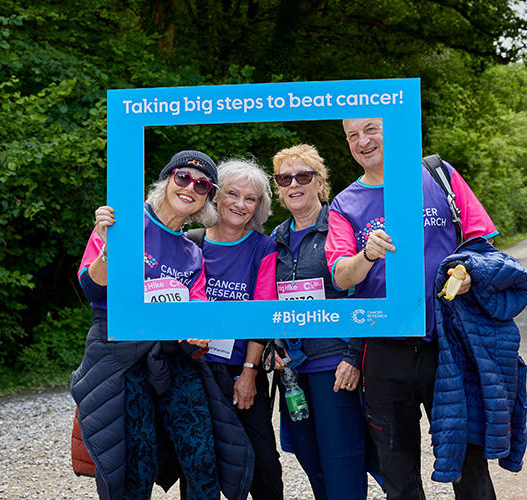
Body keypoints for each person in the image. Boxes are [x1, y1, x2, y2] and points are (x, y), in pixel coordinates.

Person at [325, 118, 499, 499]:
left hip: (448, 345)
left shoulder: (438, 175)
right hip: (385, 352)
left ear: (394, 128)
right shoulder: (345, 203)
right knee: (398, 474)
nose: (362, 141)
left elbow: (481, 243)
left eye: (371, 129)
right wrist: (367, 253)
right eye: (352, 135)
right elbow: (340, 276)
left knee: (468, 466)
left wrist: (469, 273)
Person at [70, 150, 254, 500]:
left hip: (172, 354)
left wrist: (198, 335)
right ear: (167, 179)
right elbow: (91, 287)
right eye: (183, 177)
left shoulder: (192, 252)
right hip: (121, 352)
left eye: (202, 185)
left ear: (207, 197)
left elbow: (196, 313)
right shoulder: (122, 223)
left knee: (202, 451)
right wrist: (110, 253)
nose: (190, 188)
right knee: (134, 459)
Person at [269, 144, 370, 500]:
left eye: (303, 175)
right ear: (278, 188)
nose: (294, 183)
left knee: (342, 462)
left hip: (335, 366)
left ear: (320, 182)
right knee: (311, 460)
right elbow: (267, 302)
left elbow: (364, 293)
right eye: (285, 178)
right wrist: (272, 347)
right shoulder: (275, 240)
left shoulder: (338, 230)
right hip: (293, 372)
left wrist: (353, 355)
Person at [195, 158, 284, 500]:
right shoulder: (192, 241)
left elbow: (263, 312)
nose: (240, 204)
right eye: (233, 194)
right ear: (216, 196)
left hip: (242, 368)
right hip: (196, 368)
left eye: (251, 199)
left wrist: (248, 373)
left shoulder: (263, 247)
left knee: (263, 463)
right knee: (202, 459)